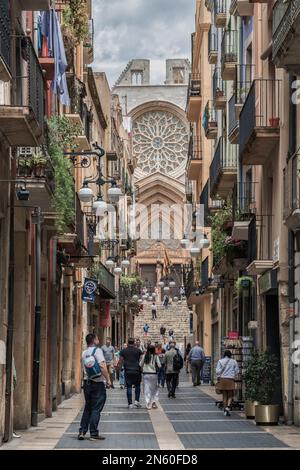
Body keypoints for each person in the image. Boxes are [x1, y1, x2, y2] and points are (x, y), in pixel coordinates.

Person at [78, 333, 111, 440]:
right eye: (97, 338)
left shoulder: (83, 353)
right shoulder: (97, 351)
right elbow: (102, 366)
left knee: (88, 407)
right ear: (94, 340)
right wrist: (108, 379)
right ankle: (93, 433)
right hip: (97, 383)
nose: (98, 340)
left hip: (87, 383)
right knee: (96, 408)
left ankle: (82, 431)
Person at [118, 337, 143, 409]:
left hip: (128, 370)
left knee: (129, 386)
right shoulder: (138, 350)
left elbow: (121, 361)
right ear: (134, 342)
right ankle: (136, 401)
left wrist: (120, 369)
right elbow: (141, 360)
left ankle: (130, 404)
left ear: (128, 343)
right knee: (137, 386)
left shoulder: (123, 351)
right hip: (137, 370)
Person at [216, 350, 239, 416]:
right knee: (231, 395)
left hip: (223, 379)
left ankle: (225, 409)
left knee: (224, 395)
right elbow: (237, 371)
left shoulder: (220, 361)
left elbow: (217, 372)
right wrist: (233, 374)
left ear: (224, 354)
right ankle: (228, 407)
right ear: (230, 355)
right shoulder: (234, 361)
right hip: (230, 379)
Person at [140, 344, 161, 409]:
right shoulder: (155, 356)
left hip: (146, 374)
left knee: (146, 389)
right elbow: (159, 365)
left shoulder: (145, 356)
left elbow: (140, 364)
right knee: (154, 389)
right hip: (153, 374)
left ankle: (148, 403)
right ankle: (153, 402)